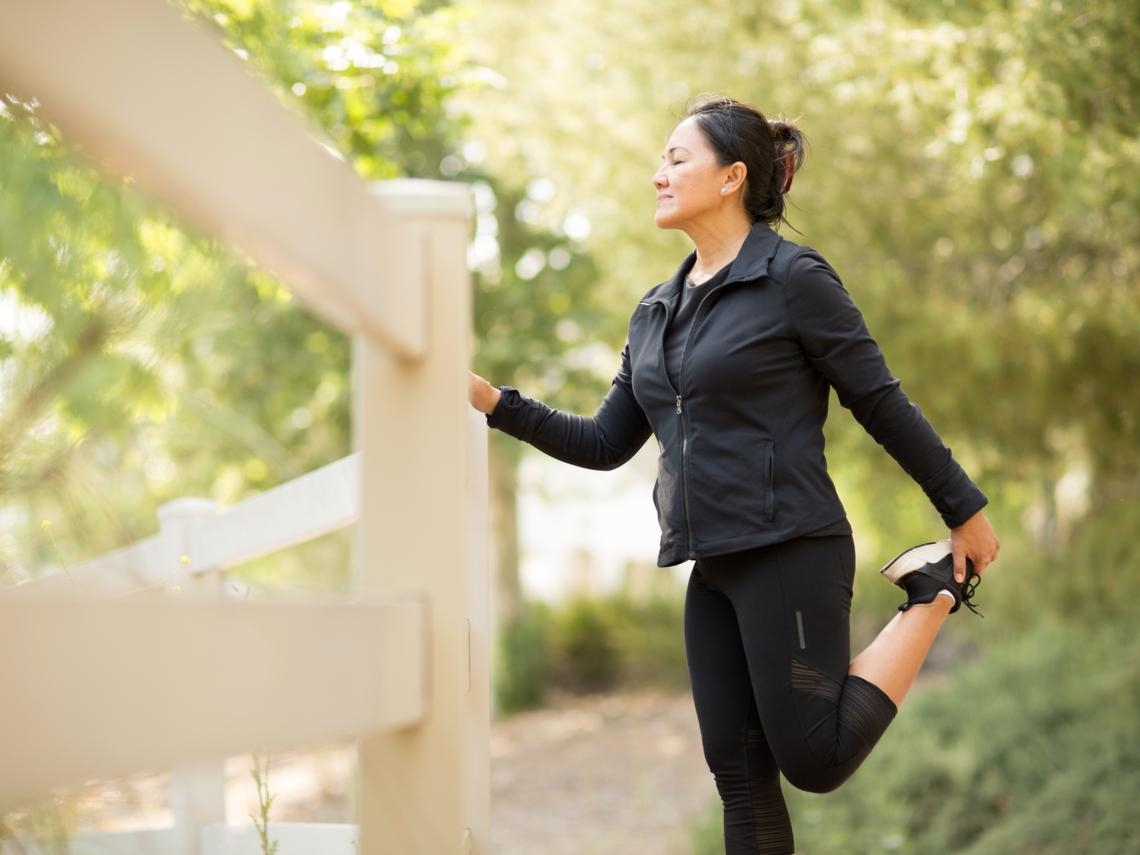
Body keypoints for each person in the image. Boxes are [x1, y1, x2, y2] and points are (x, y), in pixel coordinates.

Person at [468, 94, 1000, 855]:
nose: (658, 174)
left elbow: (877, 400)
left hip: (792, 547)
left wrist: (965, 509)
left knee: (812, 759)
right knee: (742, 779)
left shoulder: (793, 278)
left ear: (732, 177)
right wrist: (492, 402)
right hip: (711, 567)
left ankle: (932, 593)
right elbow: (604, 442)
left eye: (676, 158)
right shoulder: (655, 312)